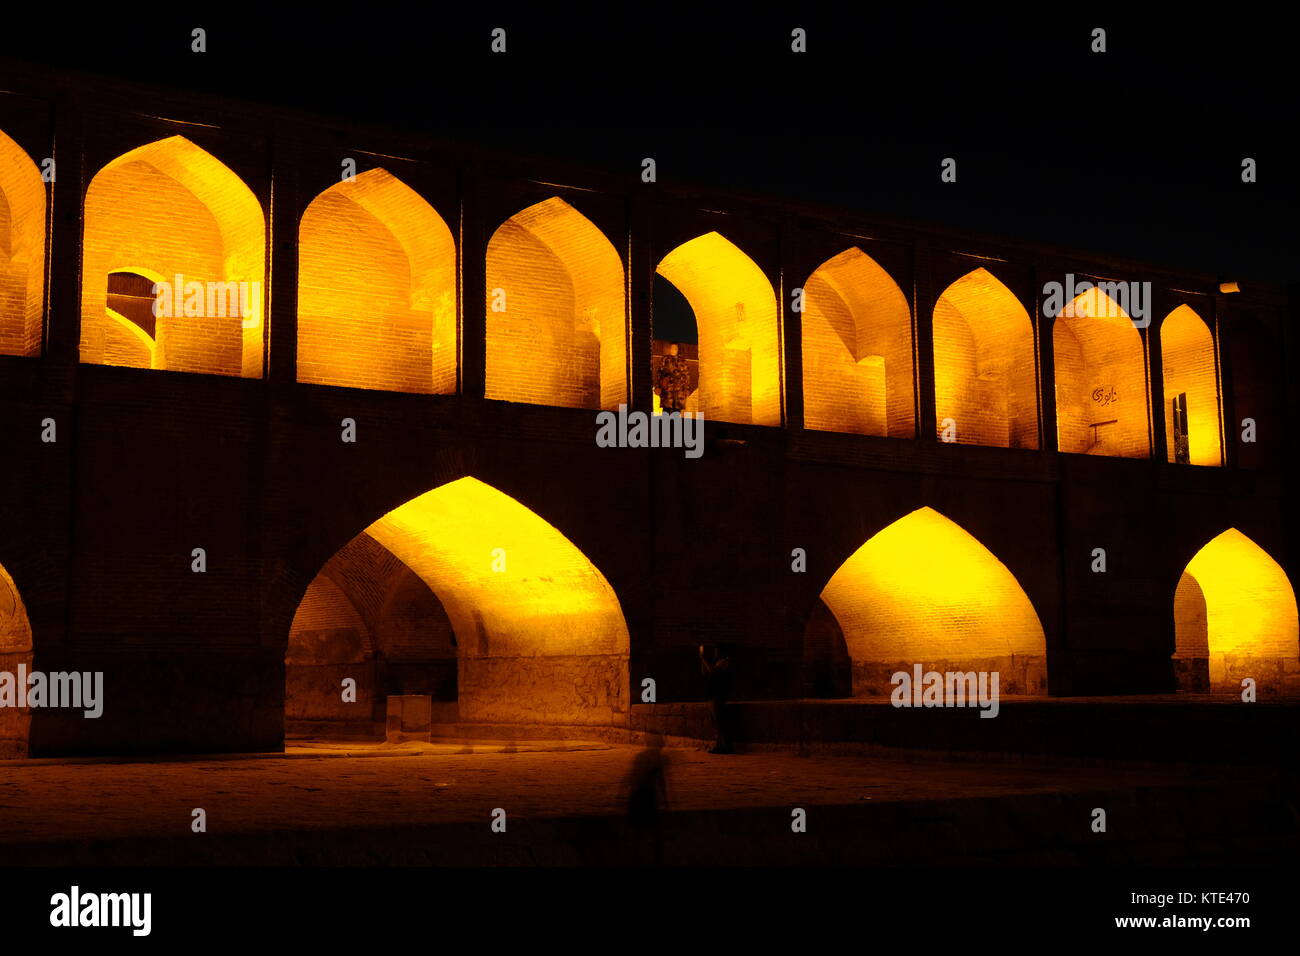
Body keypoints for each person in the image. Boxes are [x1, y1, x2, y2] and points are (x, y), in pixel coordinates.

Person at [699, 643, 734, 754]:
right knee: (715, 722)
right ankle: (719, 745)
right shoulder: (717, 662)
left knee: (720, 721)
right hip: (712, 695)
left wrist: (704, 658)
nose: (715, 653)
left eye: (716, 651)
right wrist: (702, 660)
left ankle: (725, 746)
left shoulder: (725, 662)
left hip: (718, 695)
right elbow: (705, 672)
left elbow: (713, 672)